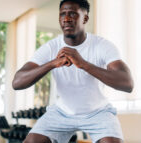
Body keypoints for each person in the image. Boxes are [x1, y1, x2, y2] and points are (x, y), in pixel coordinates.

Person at [12, 0, 134, 142]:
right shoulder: (51, 47)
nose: (66, 18)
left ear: (85, 18)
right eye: (62, 14)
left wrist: (83, 64)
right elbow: (17, 82)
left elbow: (127, 83)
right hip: (62, 112)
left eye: (73, 14)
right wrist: (52, 63)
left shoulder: (102, 46)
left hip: (98, 112)